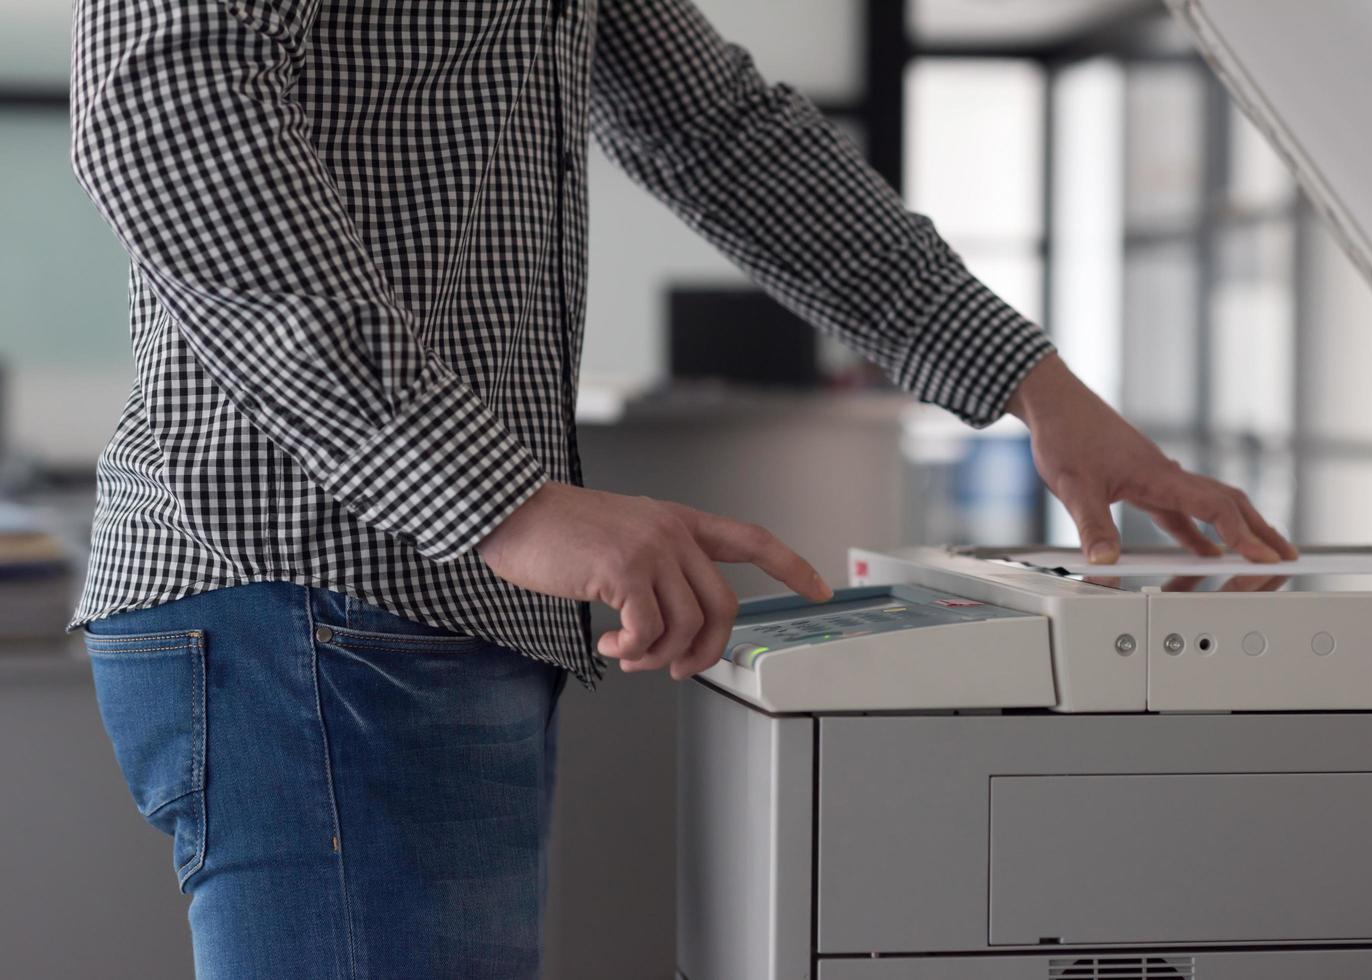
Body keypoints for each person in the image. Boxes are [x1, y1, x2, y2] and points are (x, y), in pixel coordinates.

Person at [67, 0, 1296, 976]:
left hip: (413, 600)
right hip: (318, 580)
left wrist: (1035, 383)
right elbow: (164, 110)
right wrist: (506, 499)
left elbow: (722, 134)